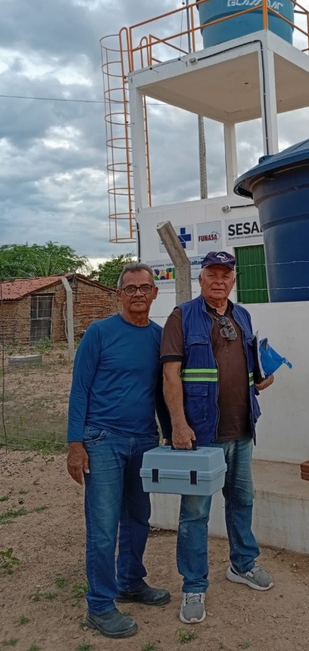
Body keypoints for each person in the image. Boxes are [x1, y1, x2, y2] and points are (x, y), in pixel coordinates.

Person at [161, 250, 275, 625]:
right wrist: (178, 423)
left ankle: (242, 564)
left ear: (233, 281)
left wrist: (263, 377)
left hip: (242, 429)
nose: (219, 280)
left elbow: (250, 370)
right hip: (201, 433)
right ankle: (194, 585)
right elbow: (171, 376)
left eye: (226, 274)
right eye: (212, 273)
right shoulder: (182, 316)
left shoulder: (242, 315)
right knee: (195, 513)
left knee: (242, 500)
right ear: (201, 279)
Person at [66, 262, 171, 639]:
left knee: (139, 518)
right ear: (119, 294)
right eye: (131, 288)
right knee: (103, 526)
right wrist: (75, 444)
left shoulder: (160, 338)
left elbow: (161, 392)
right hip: (102, 439)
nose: (139, 293)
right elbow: (79, 390)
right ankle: (99, 605)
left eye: (145, 287)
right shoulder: (99, 333)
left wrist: (173, 435)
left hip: (144, 440)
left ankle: (130, 581)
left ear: (155, 293)